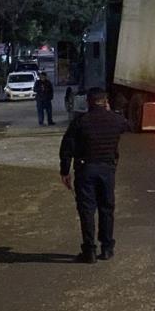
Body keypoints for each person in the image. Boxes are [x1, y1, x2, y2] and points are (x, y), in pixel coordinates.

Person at [60, 88, 128, 263]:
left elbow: (66, 147)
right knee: (107, 208)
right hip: (107, 169)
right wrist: (111, 111)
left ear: (88, 102)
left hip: (85, 169)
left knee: (87, 210)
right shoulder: (116, 120)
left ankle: (89, 250)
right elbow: (127, 125)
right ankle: (107, 248)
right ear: (105, 102)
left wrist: (65, 171)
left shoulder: (80, 122)